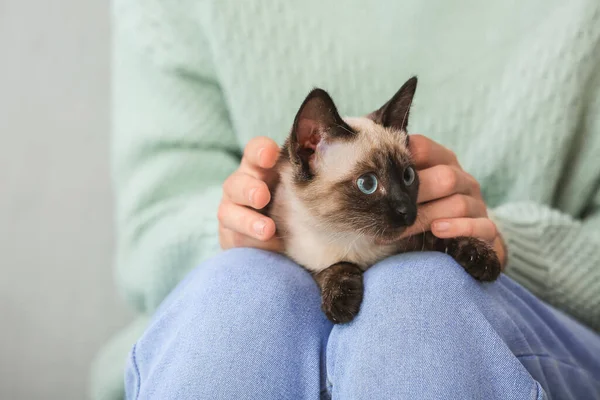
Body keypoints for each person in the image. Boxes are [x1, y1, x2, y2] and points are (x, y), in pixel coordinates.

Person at [91, 0, 600, 399]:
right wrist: (247, 230)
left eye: (403, 179)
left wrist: (516, 248)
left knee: (416, 295)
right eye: (368, 186)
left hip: (519, 321)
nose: (401, 205)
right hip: (259, 283)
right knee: (242, 294)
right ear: (310, 148)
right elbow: (150, 231)